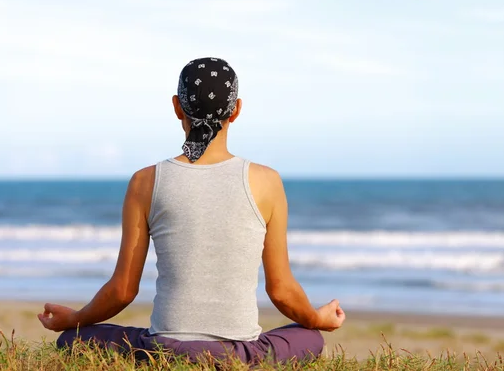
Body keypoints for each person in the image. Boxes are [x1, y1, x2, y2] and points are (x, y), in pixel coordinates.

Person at [38, 57, 346, 364]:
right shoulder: (267, 181)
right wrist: (316, 319)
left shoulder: (145, 181)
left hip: (162, 352)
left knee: (73, 340)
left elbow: (122, 291)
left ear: (176, 107)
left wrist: (75, 319)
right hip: (239, 356)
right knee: (310, 338)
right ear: (236, 109)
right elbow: (282, 291)